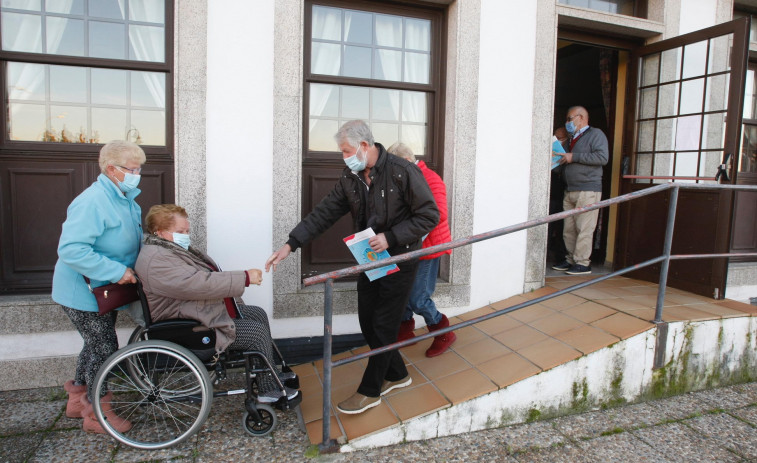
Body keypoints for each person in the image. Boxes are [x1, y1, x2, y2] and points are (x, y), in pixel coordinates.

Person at [265, 120, 439, 415]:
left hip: (400, 258)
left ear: (364, 146)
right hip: (370, 259)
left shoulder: (402, 171)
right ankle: (397, 374)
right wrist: (291, 244)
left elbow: (429, 215)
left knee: (384, 324)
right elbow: (324, 213)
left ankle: (370, 390)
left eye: (346, 150)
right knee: (368, 320)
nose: (343, 156)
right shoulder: (351, 177)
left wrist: (391, 237)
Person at [135, 204, 298, 403]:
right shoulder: (157, 259)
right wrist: (244, 278)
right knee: (255, 333)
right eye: (180, 232)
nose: (186, 235)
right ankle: (267, 390)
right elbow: (196, 284)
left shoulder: (168, 250)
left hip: (193, 312)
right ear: (159, 232)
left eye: (187, 230)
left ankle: (268, 373)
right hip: (186, 325)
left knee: (257, 314)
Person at [52, 140, 145, 434]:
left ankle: (77, 401)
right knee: (104, 347)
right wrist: (118, 271)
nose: (138, 173)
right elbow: (72, 250)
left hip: (104, 289)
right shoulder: (93, 201)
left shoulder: (124, 198)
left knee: (94, 344)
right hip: (82, 291)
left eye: (140, 167)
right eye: (132, 169)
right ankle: (97, 414)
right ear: (111, 169)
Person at [387, 142, 455, 358]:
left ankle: (443, 332)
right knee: (403, 290)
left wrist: (408, 230)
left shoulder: (431, 178)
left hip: (427, 248)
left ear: (406, 162)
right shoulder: (406, 178)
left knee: (418, 297)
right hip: (408, 247)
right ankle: (405, 331)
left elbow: (439, 214)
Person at [552, 106, 608, 275]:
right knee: (569, 228)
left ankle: (583, 263)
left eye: (570, 119)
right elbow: (567, 162)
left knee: (584, 227)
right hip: (570, 189)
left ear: (581, 118)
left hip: (588, 189)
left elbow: (602, 157)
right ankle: (571, 260)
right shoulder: (571, 138)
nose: (567, 122)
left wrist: (573, 157)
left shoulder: (595, 134)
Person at [548, 127, 569, 264]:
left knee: (562, 227)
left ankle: (561, 257)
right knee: (548, 225)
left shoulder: (569, 148)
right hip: (550, 193)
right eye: (556, 137)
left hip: (563, 191)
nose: (558, 140)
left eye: (561, 138)